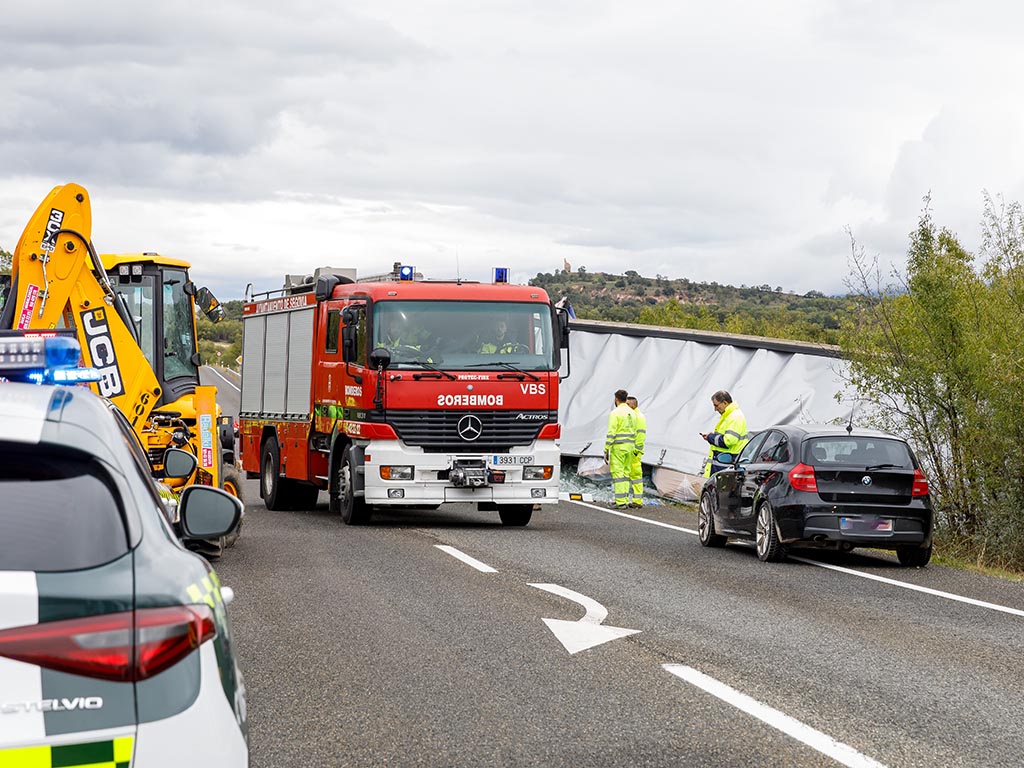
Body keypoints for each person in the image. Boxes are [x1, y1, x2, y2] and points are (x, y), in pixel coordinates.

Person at [700, 390, 749, 476]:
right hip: (723, 466)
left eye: (716, 405)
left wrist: (710, 437)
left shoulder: (734, 417)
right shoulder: (730, 416)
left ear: (725, 403)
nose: (715, 409)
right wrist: (712, 436)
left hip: (725, 467)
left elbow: (728, 441)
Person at [604, 389, 639, 508]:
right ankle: (623, 499)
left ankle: (620, 502)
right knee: (625, 474)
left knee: (618, 474)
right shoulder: (633, 413)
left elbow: (611, 432)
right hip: (630, 447)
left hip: (619, 447)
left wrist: (606, 449)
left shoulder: (615, 413)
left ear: (616, 399)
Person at [626, 396, 646, 508]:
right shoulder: (634, 416)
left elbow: (640, 436)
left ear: (633, 405)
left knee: (635, 476)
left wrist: (636, 451)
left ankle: (637, 501)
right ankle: (635, 500)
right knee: (632, 476)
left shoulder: (638, 417)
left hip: (634, 452)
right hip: (632, 451)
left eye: (628, 405)